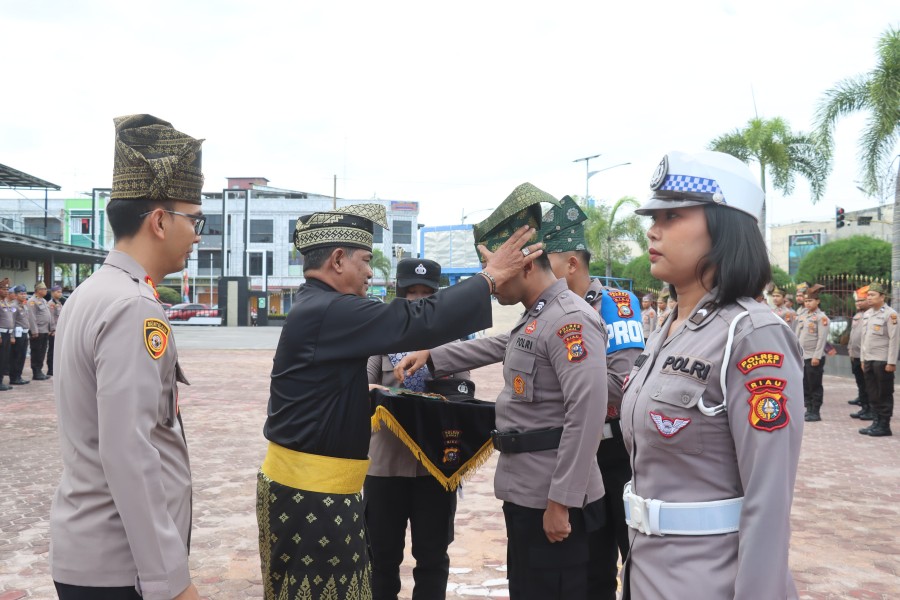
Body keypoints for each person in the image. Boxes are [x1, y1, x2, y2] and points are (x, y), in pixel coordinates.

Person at [257, 198, 544, 600]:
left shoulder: (318, 307)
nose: (370, 270)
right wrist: (489, 279)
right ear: (338, 260)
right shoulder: (329, 310)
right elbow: (414, 320)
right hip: (312, 496)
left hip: (319, 490)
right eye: (364, 259)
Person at [396, 188, 609, 600]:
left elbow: (586, 415)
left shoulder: (570, 321)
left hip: (553, 496)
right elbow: (497, 346)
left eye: (494, 270)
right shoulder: (538, 315)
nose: (489, 283)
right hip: (526, 491)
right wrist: (431, 355)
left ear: (526, 263)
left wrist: (561, 501)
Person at [619, 150, 804, 599]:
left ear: (725, 228)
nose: (653, 229)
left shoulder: (753, 334)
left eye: (673, 215)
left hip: (711, 578)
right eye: (653, 216)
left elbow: (769, 498)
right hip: (646, 567)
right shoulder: (667, 330)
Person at [50, 114, 205, 600]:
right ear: (159, 220)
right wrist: (171, 582)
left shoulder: (93, 292)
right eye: (194, 219)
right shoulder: (134, 307)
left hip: (94, 551)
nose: (198, 234)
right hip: (121, 566)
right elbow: (128, 452)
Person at [365, 257, 469, 600]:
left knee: (433, 558)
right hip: (384, 467)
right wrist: (390, 394)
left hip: (435, 469)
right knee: (381, 559)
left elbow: (463, 395)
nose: (419, 299)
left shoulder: (452, 341)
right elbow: (362, 389)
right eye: (412, 292)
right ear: (400, 293)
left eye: (427, 292)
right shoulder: (380, 336)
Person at [859, 282, 898, 437]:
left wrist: (891, 362)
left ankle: (884, 425)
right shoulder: (867, 314)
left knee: (884, 392)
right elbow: (864, 339)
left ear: (882, 297)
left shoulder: (890, 314)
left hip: (882, 360)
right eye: (868, 295)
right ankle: (875, 422)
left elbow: (894, 339)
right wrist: (862, 359)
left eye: (872, 295)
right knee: (872, 392)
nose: (869, 298)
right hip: (868, 359)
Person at [795, 283, 828, 422]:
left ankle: (816, 411)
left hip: (813, 356)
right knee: (805, 384)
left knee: (815, 385)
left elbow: (822, 338)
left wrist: (817, 356)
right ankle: (808, 409)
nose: (808, 303)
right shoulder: (803, 315)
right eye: (806, 301)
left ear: (817, 301)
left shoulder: (821, 317)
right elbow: (797, 334)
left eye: (811, 301)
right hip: (803, 356)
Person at [848, 286, 872, 419]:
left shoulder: (870, 315)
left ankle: (870, 409)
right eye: (857, 301)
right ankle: (864, 407)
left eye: (861, 301)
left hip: (865, 356)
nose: (858, 303)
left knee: (868, 384)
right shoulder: (857, 316)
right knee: (861, 383)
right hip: (855, 355)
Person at [9, 284, 36, 385]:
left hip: (24, 334)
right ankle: (14, 377)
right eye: (21, 294)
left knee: (22, 356)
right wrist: (12, 336)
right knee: (16, 356)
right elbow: (11, 321)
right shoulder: (14, 306)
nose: (24, 295)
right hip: (17, 334)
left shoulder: (24, 305)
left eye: (25, 293)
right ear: (15, 295)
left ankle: (18, 376)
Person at [27, 281, 54, 380]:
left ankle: (40, 370)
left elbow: (48, 316)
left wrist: (51, 328)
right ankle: (36, 371)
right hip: (37, 331)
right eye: (44, 289)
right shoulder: (32, 301)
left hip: (44, 330)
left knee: (42, 352)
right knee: (36, 352)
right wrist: (34, 331)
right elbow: (31, 317)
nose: (46, 291)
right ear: (38, 290)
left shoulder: (43, 300)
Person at [47, 284, 64, 376]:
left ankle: (55, 368)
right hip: (54, 331)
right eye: (58, 292)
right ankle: (50, 369)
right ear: (53, 293)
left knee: (58, 350)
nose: (60, 293)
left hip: (59, 330)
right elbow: (51, 318)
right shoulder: (51, 304)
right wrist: (53, 330)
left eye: (61, 292)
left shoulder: (59, 303)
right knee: (52, 350)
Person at [0, 278, 13, 391]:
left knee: (4, 358)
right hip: (1, 334)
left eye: (7, 289)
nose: (6, 291)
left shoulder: (6, 302)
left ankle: (1, 380)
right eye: (4, 289)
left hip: (8, 334)